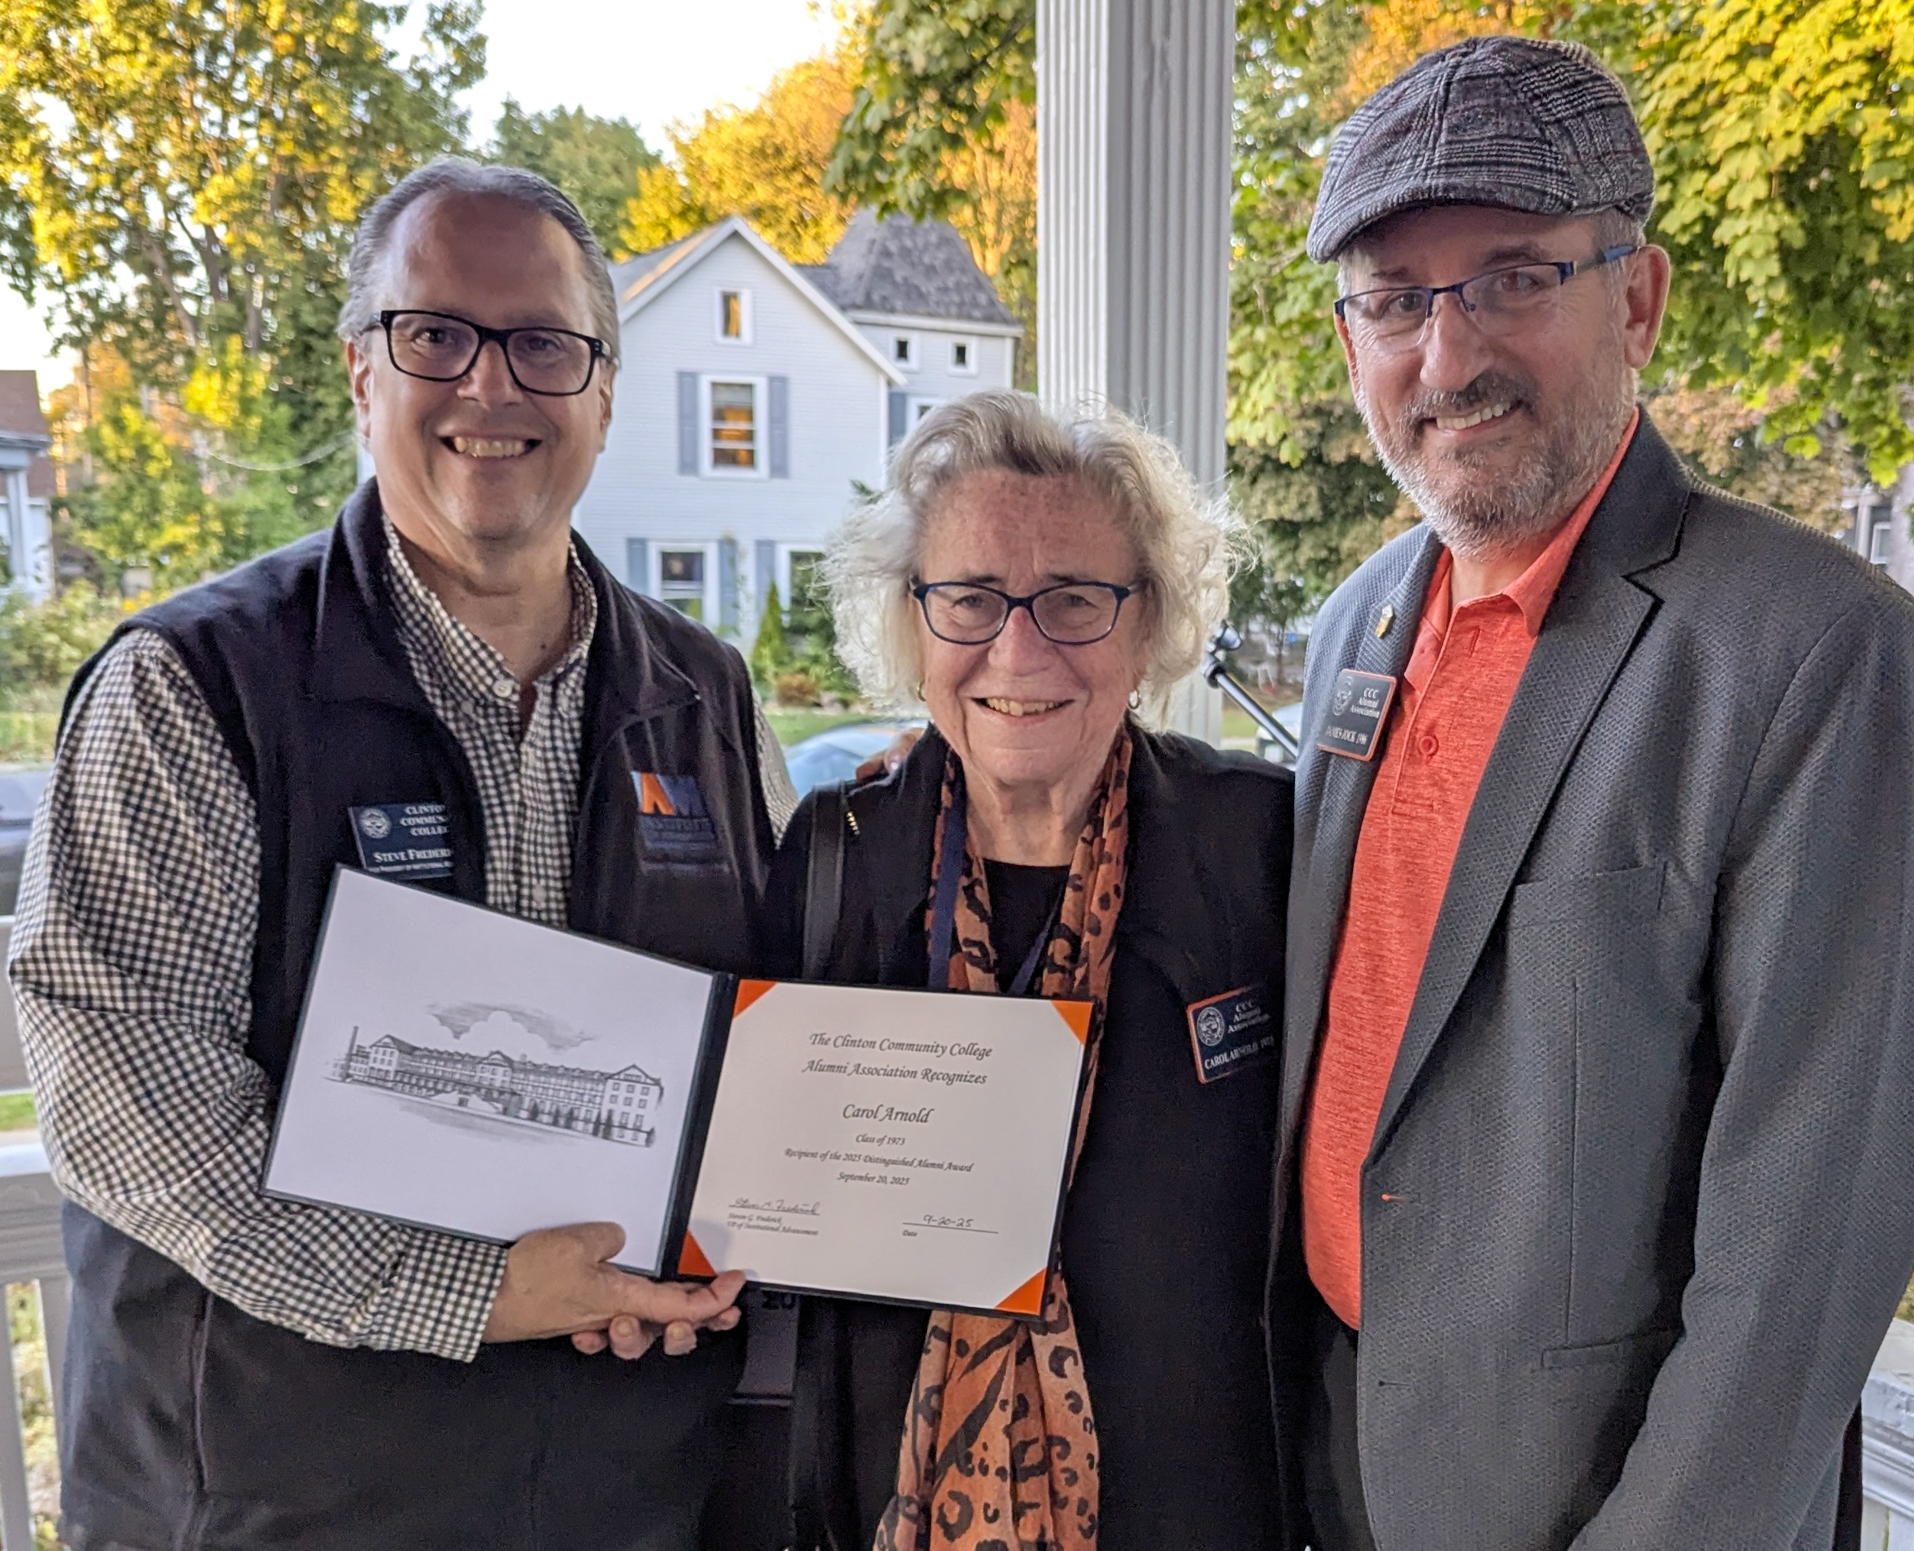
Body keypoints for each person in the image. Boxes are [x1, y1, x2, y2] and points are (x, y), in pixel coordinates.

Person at [5, 159, 796, 1549]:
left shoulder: (708, 697)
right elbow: (134, 1101)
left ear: (603, 391)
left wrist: (722, 1245)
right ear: (362, 373)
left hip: (636, 1495)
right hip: (275, 1496)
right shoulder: (196, 685)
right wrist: (486, 1288)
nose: (492, 386)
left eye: (545, 343)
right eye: (437, 334)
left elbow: (766, 1046)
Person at [1274, 36, 1914, 1551]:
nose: (1447, 357)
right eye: (1395, 299)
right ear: (1351, 342)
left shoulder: (1820, 655)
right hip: (1326, 1456)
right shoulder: (1353, 630)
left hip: (1588, 1504)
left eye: (1513, 276)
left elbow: (1809, 1252)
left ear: (1639, 298)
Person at [765, 390, 1293, 1551]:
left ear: (1145, 624)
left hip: (1201, 1511)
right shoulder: (834, 861)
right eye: (967, 599)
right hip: (884, 1505)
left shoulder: (1260, 847)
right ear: (912, 627)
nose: (1018, 648)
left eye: (1073, 599)